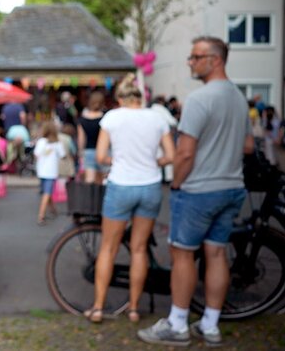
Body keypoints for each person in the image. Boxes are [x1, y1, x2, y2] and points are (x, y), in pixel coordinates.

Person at [138, 37, 253, 347]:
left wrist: (177, 184)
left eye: (196, 57)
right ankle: (210, 325)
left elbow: (185, 152)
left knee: (183, 255)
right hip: (231, 186)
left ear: (215, 60)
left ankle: (177, 324)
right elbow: (248, 145)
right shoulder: (238, 97)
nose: (190, 62)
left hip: (199, 189)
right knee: (216, 253)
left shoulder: (200, 99)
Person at [85, 74, 174, 324]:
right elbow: (171, 155)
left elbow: (100, 157)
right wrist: (152, 162)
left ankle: (98, 308)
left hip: (121, 185)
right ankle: (133, 309)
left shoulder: (112, 117)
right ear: (140, 98)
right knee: (139, 249)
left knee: (108, 248)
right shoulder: (157, 118)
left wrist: (117, 160)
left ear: (121, 99)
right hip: (150, 186)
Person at [34, 121, 66, 225]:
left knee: (47, 192)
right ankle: (41, 215)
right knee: (47, 193)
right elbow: (63, 155)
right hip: (51, 172)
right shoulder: (57, 143)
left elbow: (36, 154)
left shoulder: (41, 142)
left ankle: (53, 210)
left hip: (41, 171)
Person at [77, 91, 107, 184]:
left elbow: (81, 139)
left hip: (88, 151)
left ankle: (90, 194)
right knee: (102, 181)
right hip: (104, 151)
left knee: (89, 180)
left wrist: (81, 154)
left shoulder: (82, 120)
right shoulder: (106, 118)